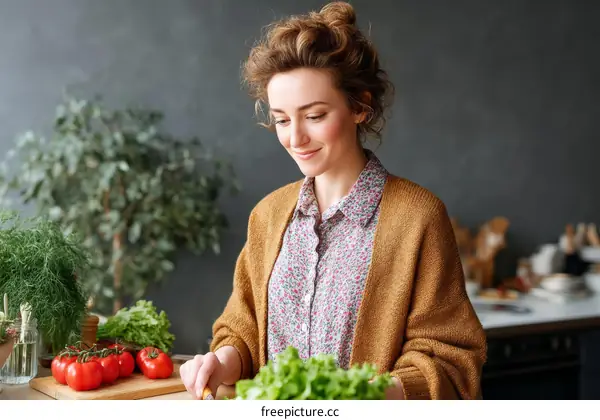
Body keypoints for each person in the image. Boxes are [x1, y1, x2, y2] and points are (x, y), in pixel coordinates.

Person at [180, 1, 487, 400]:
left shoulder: (417, 217)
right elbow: (243, 328)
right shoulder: (269, 216)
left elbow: (449, 359)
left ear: (359, 105)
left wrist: (358, 395)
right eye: (282, 119)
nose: (295, 138)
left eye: (315, 115)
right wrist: (223, 360)